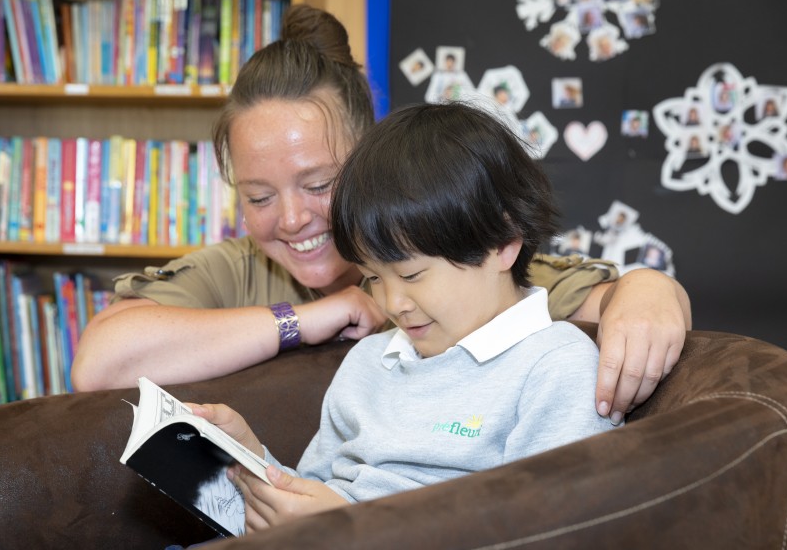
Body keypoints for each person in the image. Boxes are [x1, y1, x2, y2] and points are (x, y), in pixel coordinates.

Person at [71, 5, 691, 426]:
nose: (291, 219)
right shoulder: (236, 270)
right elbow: (100, 362)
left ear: (368, 158)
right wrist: (309, 318)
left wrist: (649, 289)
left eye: (319, 184)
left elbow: (610, 299)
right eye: (258, 197)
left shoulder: (450, 256)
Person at [191, 102, 618, 534]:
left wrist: (353, 530)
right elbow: (315, 494)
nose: (394, 303)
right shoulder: (369, 361)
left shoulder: (555, 366)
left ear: (502, 244)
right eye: (373, 277)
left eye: (412, 274)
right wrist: (252, 462)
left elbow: (551, 531)